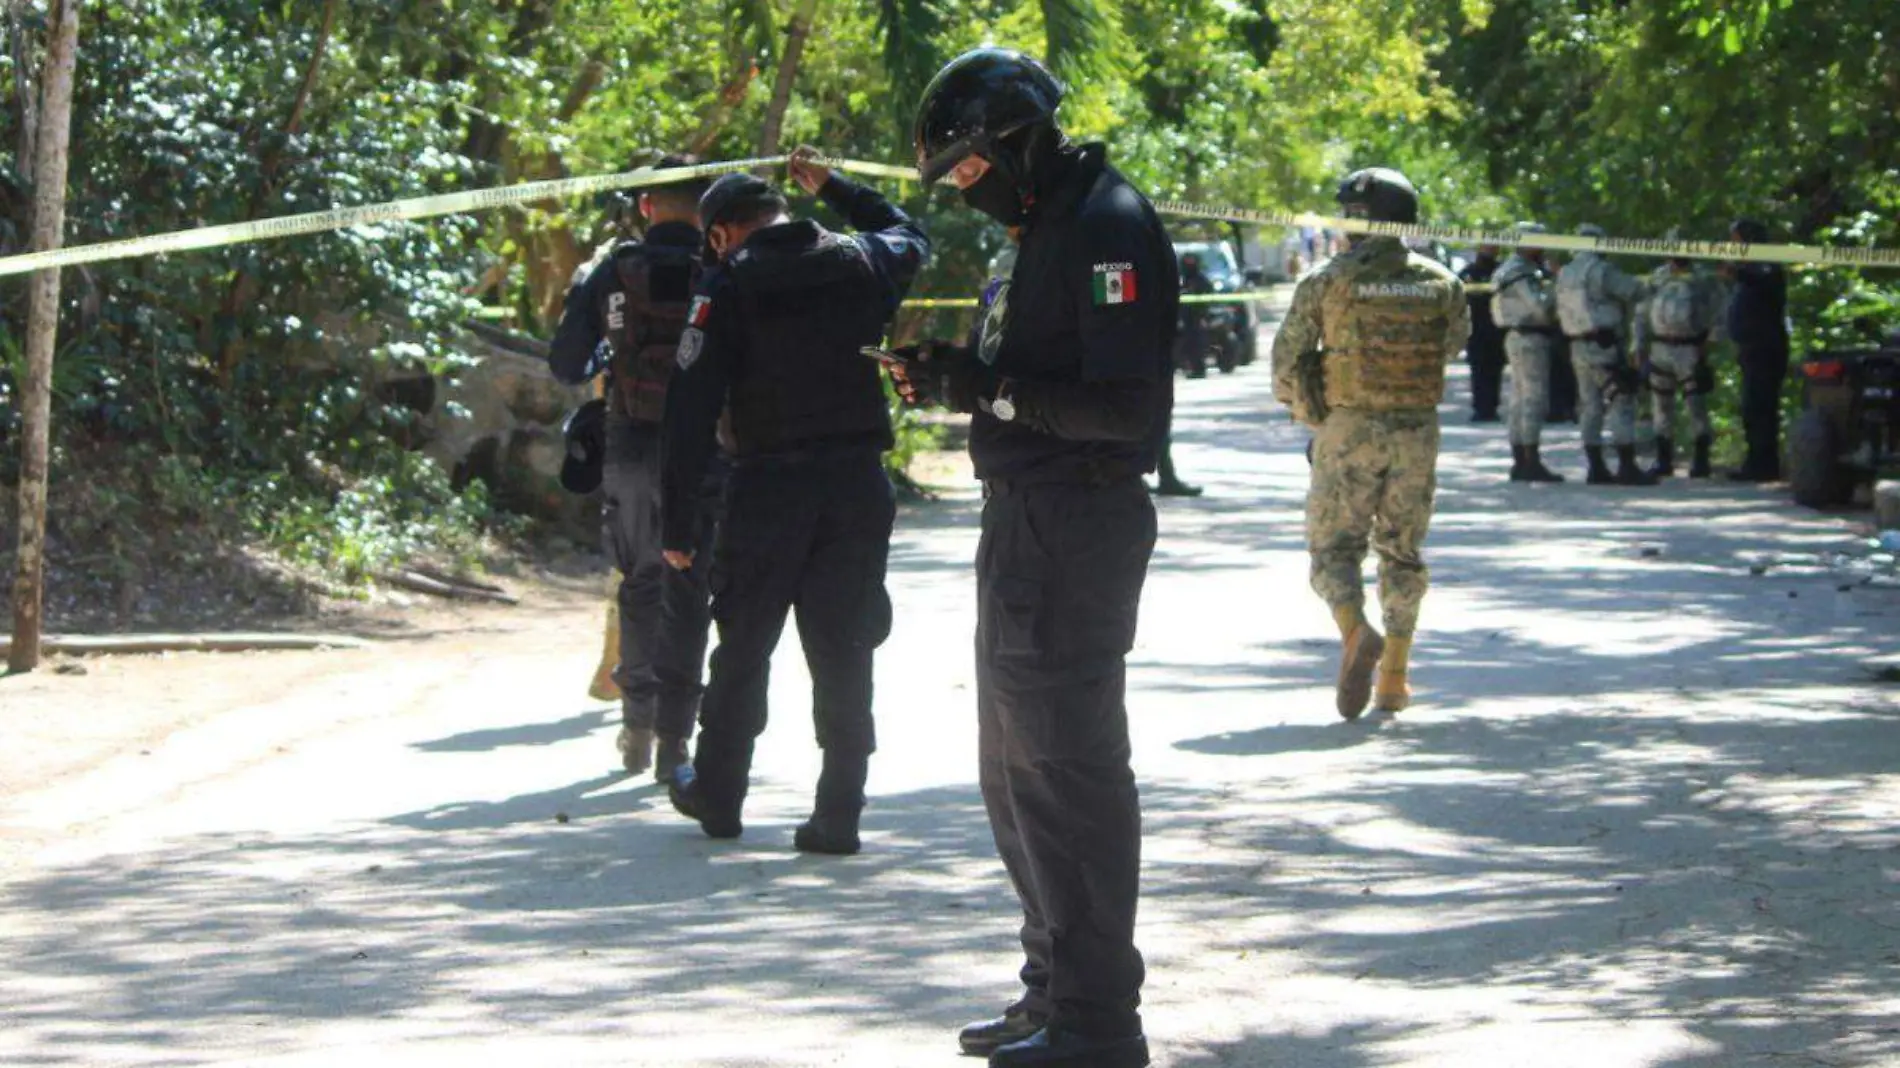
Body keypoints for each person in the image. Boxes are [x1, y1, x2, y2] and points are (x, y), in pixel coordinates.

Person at [902, 46, 1171, 1068]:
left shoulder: (1104, 223)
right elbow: (1029, 371)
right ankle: (1054, 991)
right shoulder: (1039, 229)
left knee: (1068, 772)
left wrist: (983, 393)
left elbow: (1121, 411)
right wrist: (956, 378)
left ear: (1013, 140)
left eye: (968, 170)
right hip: (1023, 519)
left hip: (1076, 520)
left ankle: (1100, 1025)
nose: (964, 194)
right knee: (1015, 776)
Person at [659, 151, 926, 856]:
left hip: (769, 490)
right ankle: (839, 812)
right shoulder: (862, 258)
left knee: (744, 644)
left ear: (720, 233)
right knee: (845, 649)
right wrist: (836, 186)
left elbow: (690, 409)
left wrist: (679, 522)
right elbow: (909, 230)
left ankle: (719, 794)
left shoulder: (727, 284)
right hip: (855, 487)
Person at [1271, 167, 1469, 720]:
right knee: (1402, 551)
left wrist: (1317, 420)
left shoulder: (1326, 280)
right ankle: (1394, 681)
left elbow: (1286, 365)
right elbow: (1452, 344)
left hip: (1349, 430)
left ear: (1356, 220)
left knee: (1333, 549)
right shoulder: (1441, 282)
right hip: (1417, 432)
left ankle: (1356, 631)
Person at [548, 155, 718, 782]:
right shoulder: (724, 268)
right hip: (710, 450)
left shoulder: (611, 271)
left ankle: (637, 726)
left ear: (646, 206)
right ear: (707, 208)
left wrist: (611, 349)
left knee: (642, 584)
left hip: (634, 446)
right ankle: (679, 740)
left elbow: (567, 365)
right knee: (694, 589)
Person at [1556, 224, 1656, 485]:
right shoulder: (1601, 271)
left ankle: (1596, 467)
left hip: (1577, 345)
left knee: (1590, 406)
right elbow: (1634, 290)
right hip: (1604, 346)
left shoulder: (1565, 273)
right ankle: (1626, 465)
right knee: (1621, 400)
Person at [1639, 246, 1723, 478]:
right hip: (1659, 347)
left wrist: (1710, 343)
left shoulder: (1701, 280)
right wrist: (1638, 347)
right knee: (1661, 404)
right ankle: (1663, 459)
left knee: (1695, 404)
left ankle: (1701, 459)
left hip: (1690, 347)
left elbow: (1718, 312)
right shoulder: (1657, 278)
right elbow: (1641, 312)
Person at [1491, 225, 1564, 482]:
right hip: (1531, 337)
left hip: (1515, 335)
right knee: (1533, 399)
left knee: (1519, 399)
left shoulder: (1505, 268)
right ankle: (1530, 460)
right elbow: (1541, 306)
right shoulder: (1521, 272)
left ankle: (1521, 459)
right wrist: (1556, 281)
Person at [1722, 218, 1790, 480]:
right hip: (1751, 347)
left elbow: (1764, 283)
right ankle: (1756, 461)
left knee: (1761, 405)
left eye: (1736, 239)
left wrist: (1738, 273)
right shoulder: (1751, 265)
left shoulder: (1766, 263)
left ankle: (1764, 464)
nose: (1732, 244)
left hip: (1765, 347)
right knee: (1752, 406)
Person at [1459, 244, 1505, 422]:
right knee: (1478, 371)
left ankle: (1492, 407)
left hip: (1496, 330)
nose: (1490, 251)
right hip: (1476, 331)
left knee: (1495, 370)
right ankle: (1480, 408)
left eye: (1493, 248)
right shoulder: (1468, 273)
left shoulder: (1501, 272)